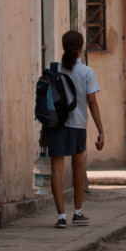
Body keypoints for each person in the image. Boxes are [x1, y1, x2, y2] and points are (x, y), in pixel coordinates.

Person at [47, 30, 105, 229]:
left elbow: (46, 103)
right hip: (78, 124)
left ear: (63, 46)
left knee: (56, 168)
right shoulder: (86, 72)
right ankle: (77, 213)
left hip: (55, 125)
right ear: (81, 48)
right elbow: (92, 102)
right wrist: (101, 130)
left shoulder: (53, 70)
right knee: (78, 165)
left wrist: (42, 131)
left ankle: (61, 216)